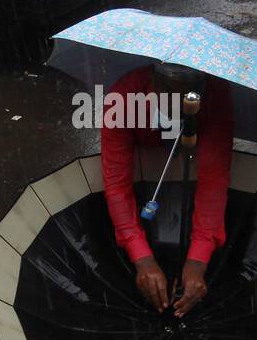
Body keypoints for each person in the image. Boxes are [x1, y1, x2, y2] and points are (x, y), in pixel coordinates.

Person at [100, 62, 233, 318]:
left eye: (191, 95)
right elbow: (117, 184)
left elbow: (214, 179)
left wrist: (197, 261)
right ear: (153, 83)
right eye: (171, 93)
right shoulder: (123, 98)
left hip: (190, 168)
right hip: (144, 173)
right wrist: (142, 259)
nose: (182, 105)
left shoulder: (216, 94)